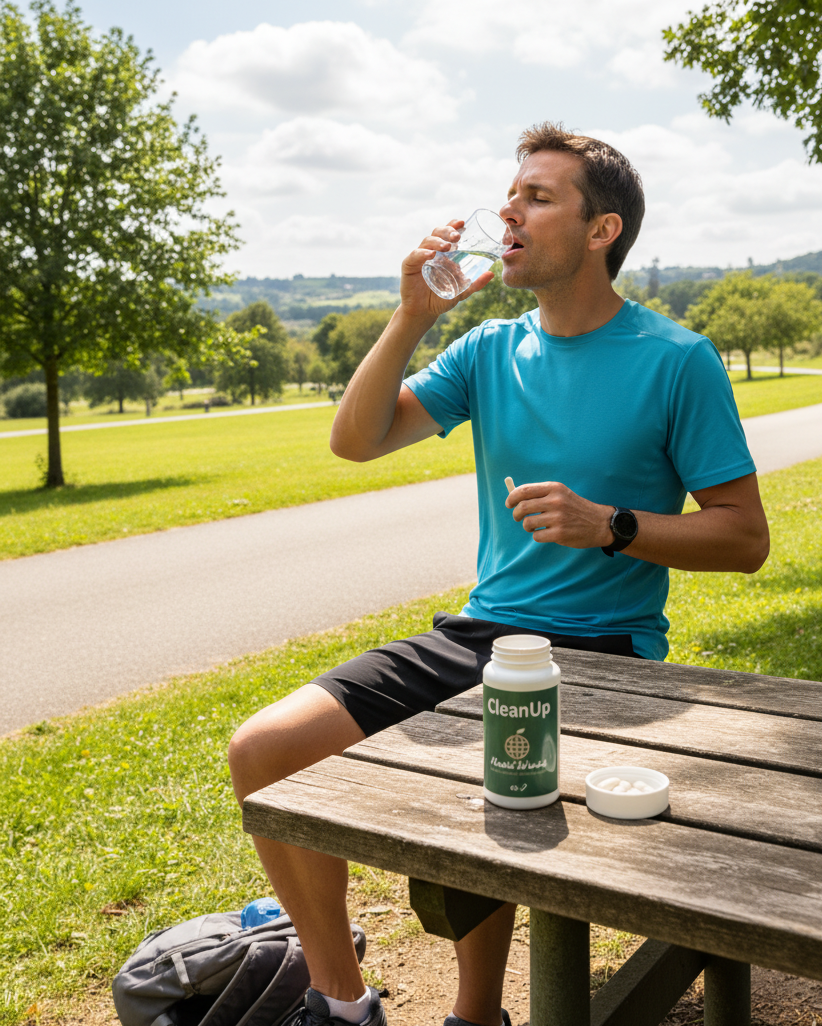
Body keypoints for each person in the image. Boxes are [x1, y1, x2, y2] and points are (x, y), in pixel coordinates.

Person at [228, 121, 769, 1026]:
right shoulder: (488, 351)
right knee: (265, 750)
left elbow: (744, 536)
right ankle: (342, 1004)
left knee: (494, 779)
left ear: (602, 231)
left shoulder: (678, 360)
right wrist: (411, 315)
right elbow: (355, 440)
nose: (508, 211)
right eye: (509, 193)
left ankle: (477, 1014)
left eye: (537, 196)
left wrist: (614, 526)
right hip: (480, 634)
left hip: (604, 652)